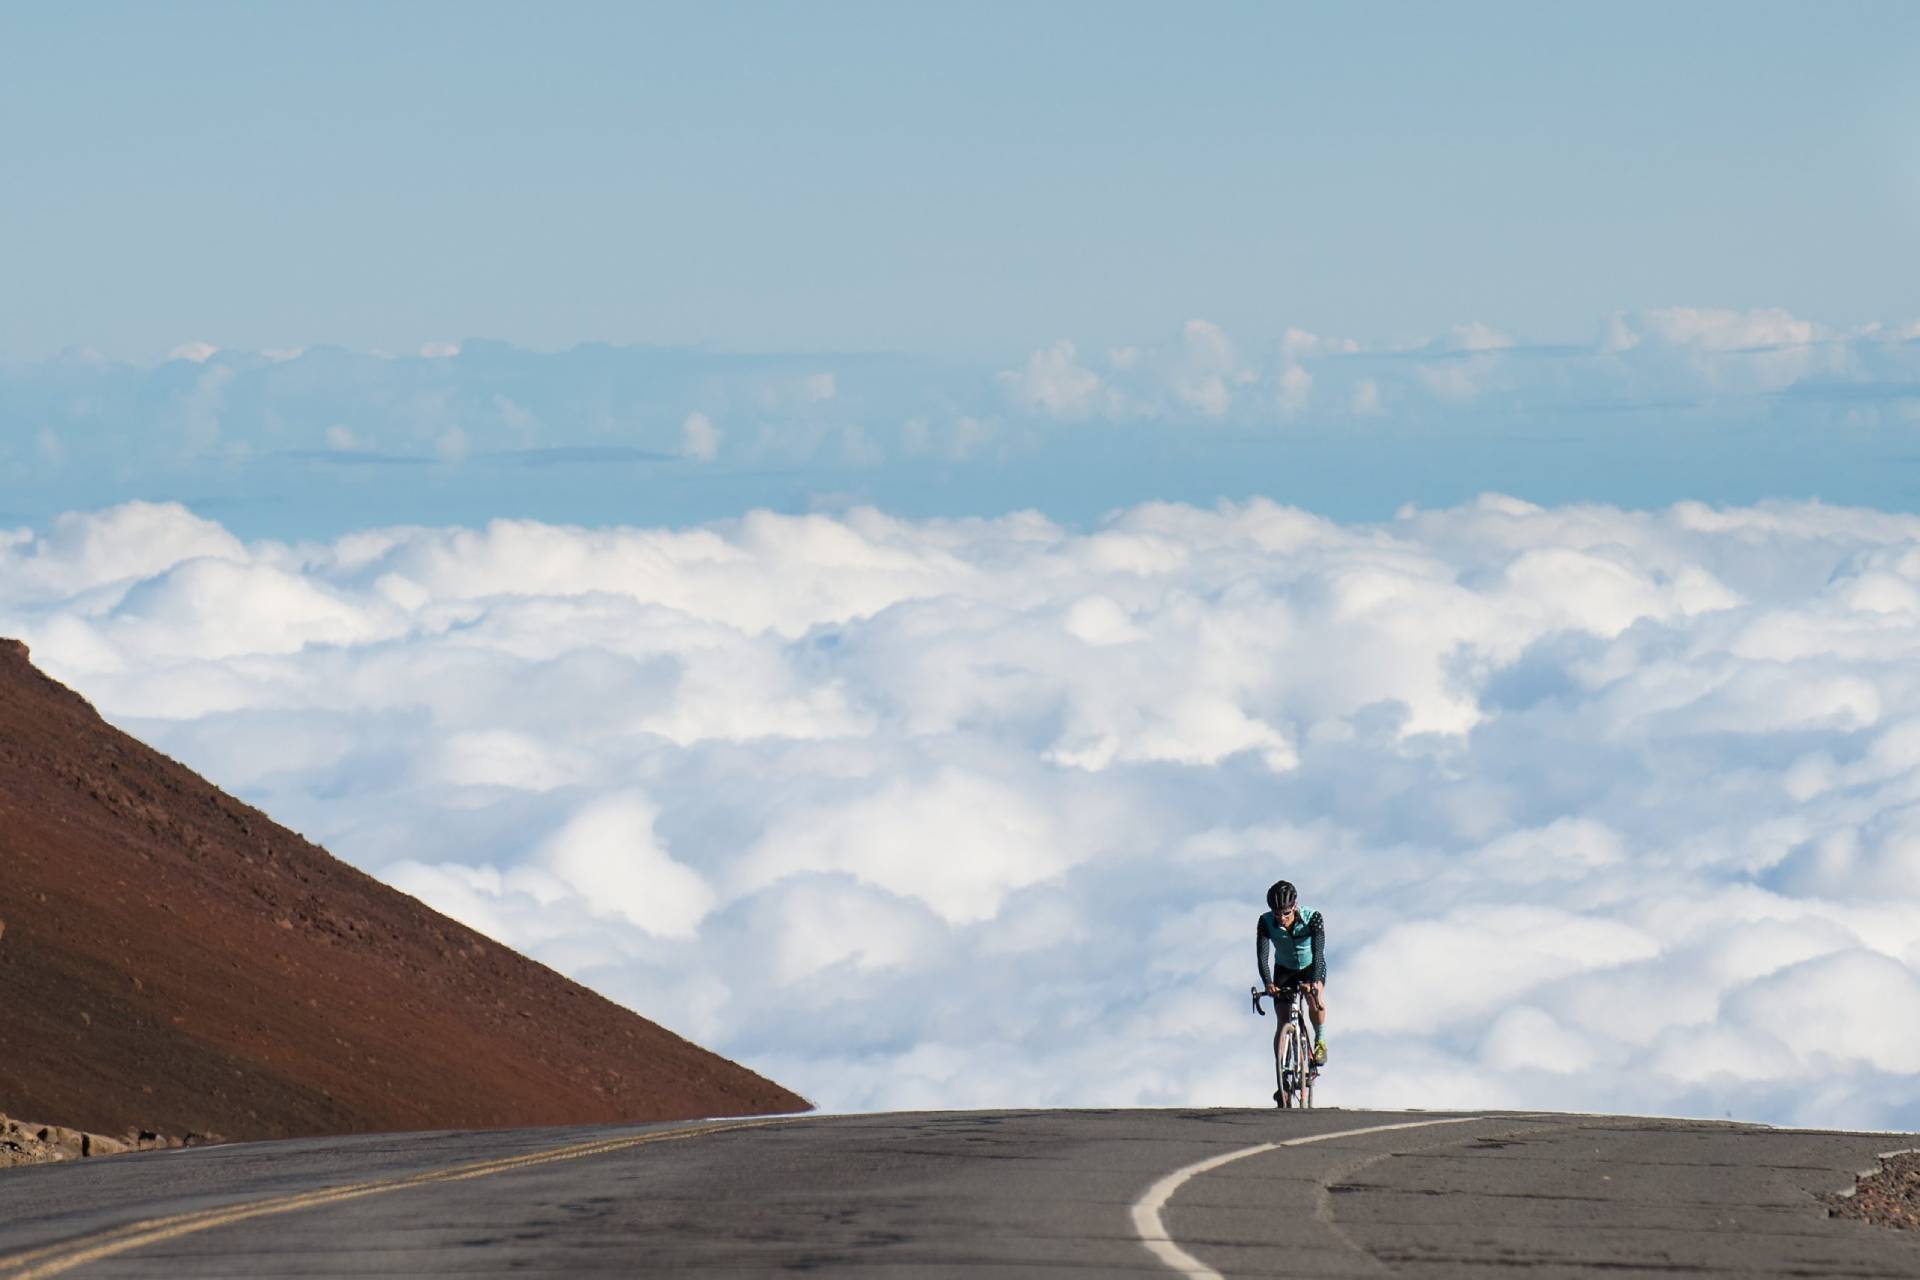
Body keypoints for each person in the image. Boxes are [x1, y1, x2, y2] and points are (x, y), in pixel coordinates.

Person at [1256, 879, 1327, 1066]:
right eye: (1277, 913)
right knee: (1282, 1019)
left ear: (1295, 906)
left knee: (1315, 999)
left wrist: (1312, 983)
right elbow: (1263, 956)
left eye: (1286, 913)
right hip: (1284, 969)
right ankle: (1282, 1072)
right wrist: (1268, 984)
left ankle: (1320, 1042)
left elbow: (1318, 953)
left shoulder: (1313, 918)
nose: (1281, 918)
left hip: (1311, 966)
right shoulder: (1265, 922)